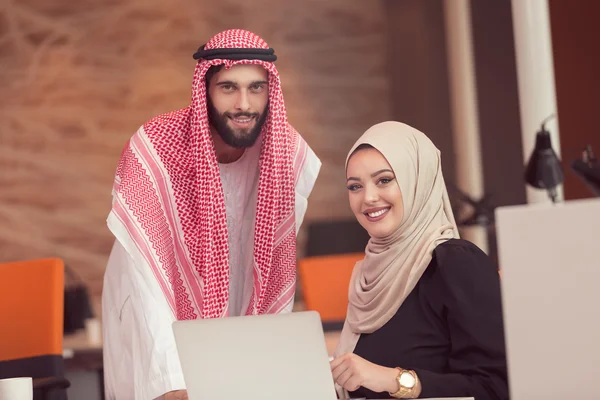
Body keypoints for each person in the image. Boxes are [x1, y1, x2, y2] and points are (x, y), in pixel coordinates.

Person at [101, 29, 321, 400]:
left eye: (256, 88)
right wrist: (171, 379)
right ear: (205, 90)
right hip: (151, 304)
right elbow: (147, 281)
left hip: (237, 305)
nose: (244, 104)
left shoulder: (284, 152)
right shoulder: (154, 147)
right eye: (228, 87)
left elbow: (276, 265)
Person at [330, 121, 508, 400]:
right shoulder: (367, 274)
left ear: (418, 180)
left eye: (385, 180)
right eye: (355, 186)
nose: (369, 198)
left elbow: (496, 387)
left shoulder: (456, 264)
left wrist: (394, 379)